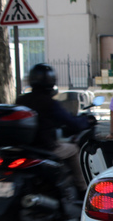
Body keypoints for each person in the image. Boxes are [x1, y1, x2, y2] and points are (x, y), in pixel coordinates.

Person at [16, 63, 91, 195]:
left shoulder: (21, 100)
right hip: (45, 148)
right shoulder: (49, 103)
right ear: (51, 81)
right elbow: (71, 123)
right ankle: (83, 188)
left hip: (25, 149)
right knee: (73, 149)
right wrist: (86, 121)